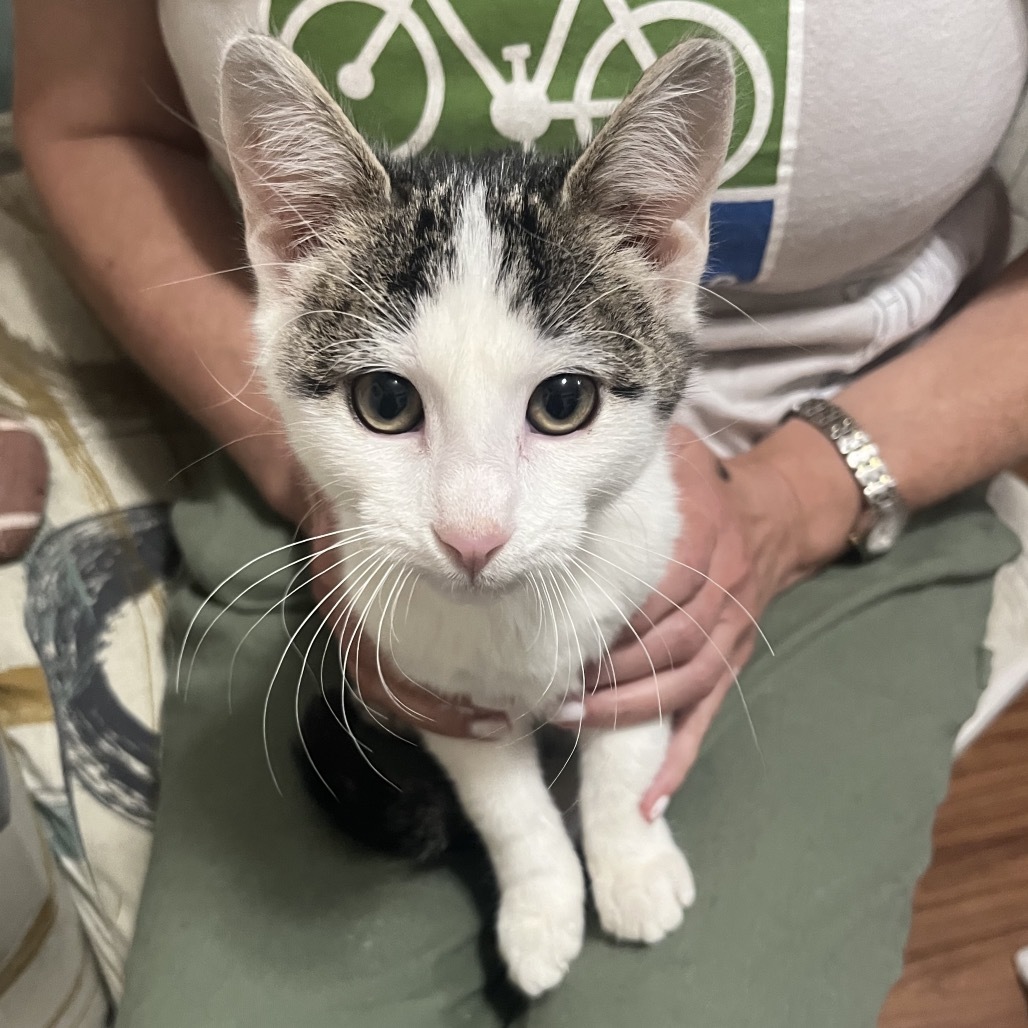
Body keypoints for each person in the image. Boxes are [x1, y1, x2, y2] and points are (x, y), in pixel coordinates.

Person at [10, 2, 1028, 1025]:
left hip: (856, 428)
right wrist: (532, 856)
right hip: (320, 510)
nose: (472, 523)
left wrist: (805, 492)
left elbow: (626, 644)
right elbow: (85, 120)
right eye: (387, 400)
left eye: (560, 400)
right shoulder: (377, 441)